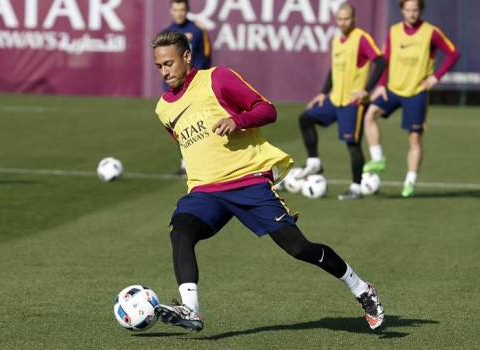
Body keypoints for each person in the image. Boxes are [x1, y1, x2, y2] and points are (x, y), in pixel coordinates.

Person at [151, 31, 384, 332]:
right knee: (180, 231)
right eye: (159, 66)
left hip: (247, 182)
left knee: (299, 248)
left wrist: (237, 121)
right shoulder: (163, 107)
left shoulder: (218, 78)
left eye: (169, 63)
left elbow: (267, 109)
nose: (165, 71)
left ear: (186, 57)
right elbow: (184, 141)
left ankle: (363, 289)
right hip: (205, 191)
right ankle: (191, 310)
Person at [363, 0, 459, 197]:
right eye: (408, 10)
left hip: (417, 91)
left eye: (415, 10)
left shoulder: (430, 32)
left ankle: (410, 181)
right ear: (402, 10)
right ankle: (378, 159)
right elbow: (386, 59)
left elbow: (453, 53)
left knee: (414, 138)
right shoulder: (394, 31)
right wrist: (381, 85)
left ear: (420, 10)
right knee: (370, 114)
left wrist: (435, 77)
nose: (412, 14)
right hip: (393, 89)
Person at [296, 3, 386, 200]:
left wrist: (366, 89)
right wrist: (322, 93)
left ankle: (356, 187)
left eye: (346, 19)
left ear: (354, 18)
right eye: (339, 19)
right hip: (334, 99)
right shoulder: (337, 40)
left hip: (353, 103)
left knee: (352, 145)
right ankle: (314, 162)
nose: (342, 22)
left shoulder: (362, 38)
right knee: (305, 118)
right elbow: (333, 69)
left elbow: (380, 61)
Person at [163, 0, 211, 177]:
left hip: (195, 84)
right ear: (171, 11)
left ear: (187, 10)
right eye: (176, 10)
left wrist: (199, 79)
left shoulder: (198, 30)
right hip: (175, 87)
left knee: (201, 123)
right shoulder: (166, 33)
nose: (179, 13)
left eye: (182, 9)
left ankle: (204, 162)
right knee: (179, 125)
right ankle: (186, 163)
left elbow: (206, 56)